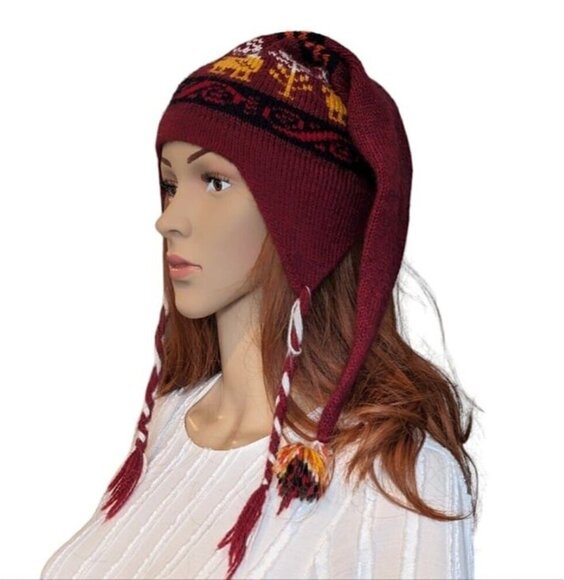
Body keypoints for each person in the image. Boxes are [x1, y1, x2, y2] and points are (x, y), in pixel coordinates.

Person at [40, 30, 479, 579]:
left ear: (304, 221)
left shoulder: (393, 476)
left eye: (215, 182)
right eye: (171, 184)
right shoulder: (167, 422)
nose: (168, 219)